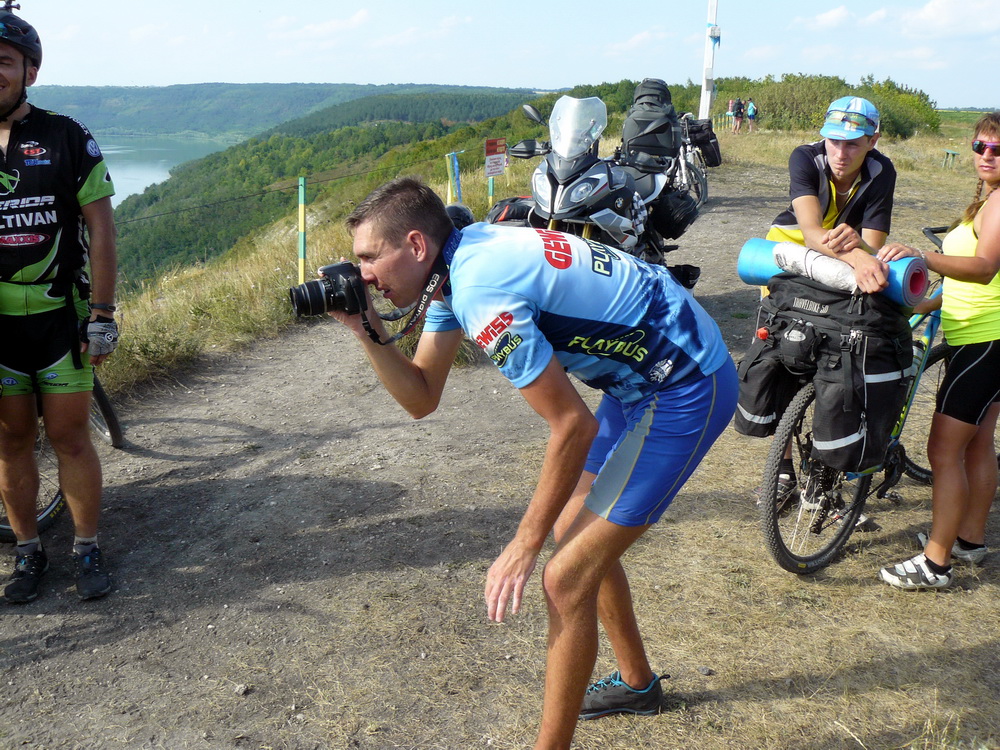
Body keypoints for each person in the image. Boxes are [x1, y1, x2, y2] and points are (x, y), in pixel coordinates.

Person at [328, 177, 737, 750]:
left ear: (416, 245)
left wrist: (523, 544)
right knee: (573, 537)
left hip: (684, 382)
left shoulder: (480, 290)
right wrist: (365, 327)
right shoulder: (456, 265)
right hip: (638, 380)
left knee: (562, 579)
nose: (363, 274)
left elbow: (572, 426)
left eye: (370, 257)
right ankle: (638, 685)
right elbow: (421, 397)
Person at [0, 11, 119, 603]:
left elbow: (101, 230)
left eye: (3, 61)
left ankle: (86, 547)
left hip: (60, 317)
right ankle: (27, 552)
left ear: (29, 71)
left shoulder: (65, 135)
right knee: (11, 441)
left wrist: (102, 314)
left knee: (71, 438)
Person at [878, 112, 1000, 589]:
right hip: (980, 335)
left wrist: (922, 256)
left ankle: (936, 563)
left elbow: (984, 268)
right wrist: (923, 304)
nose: (986, 155)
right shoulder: (987, 199)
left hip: (984, 341)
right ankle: (969, 539)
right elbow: (967, 280)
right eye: (980, 146)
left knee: (943, 450)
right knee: (978, 443)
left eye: (997, 149)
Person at [755, 96, 896, 500]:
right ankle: (782, 469)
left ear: (873, 141)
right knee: (781, 361)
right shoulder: (805, 157)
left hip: (837, 266)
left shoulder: (882, 170)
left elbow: (873, 242)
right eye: (834, 141)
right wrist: (858, 255)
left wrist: (862, 253)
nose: (840, 152)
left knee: (835, 360)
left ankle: (826, 462)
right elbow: (813, 232)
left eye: (852, 143)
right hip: (790, 258)